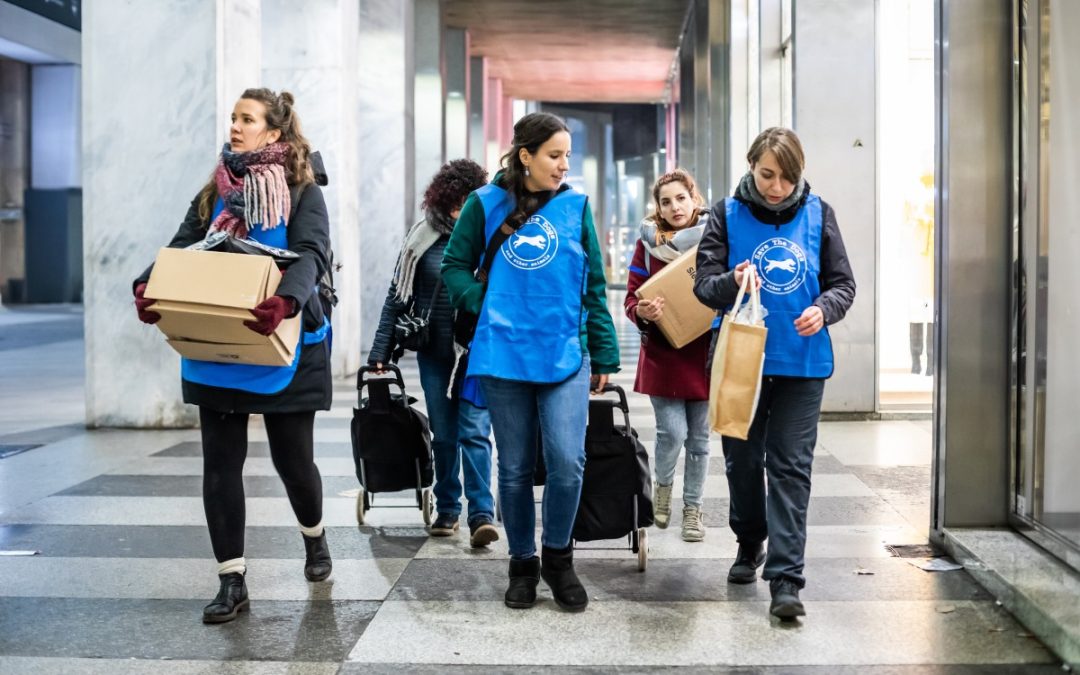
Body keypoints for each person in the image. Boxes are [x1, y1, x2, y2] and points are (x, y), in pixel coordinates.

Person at [133, 88, 334, 624]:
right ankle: (232, 581)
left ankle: (314, 539)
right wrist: (149, 285)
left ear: (273, 132)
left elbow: (313, 253)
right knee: (221, 466)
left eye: (248, 119)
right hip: (218, 345)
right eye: (233, 118)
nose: (236, 127)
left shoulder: (301, 189)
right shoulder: (213, 192)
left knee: (294, 463)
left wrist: (286, 299)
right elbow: (179, 248)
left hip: (284, 342)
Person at [442, 112, 620, 612]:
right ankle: (523, 563)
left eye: (567, 155)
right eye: (554, 155)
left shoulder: (576, 206)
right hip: (502, 354)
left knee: (567, 460)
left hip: (564, 351)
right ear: (526, 156)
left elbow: (595, 285)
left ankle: (559, 558)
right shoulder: (483, 204)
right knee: (515, 467)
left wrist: (604, 350)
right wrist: (485, 302)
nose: (564, 165)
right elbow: (454, 266)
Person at [693, 127, 855, 620]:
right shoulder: (724, 214)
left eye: (787, 177)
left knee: (790, 467)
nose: (776, 187)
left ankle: (786, 579)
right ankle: (749, 541)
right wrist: (733, 280)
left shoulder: (819, 213)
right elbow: (703, 286)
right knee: (742, 463)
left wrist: (824, 309)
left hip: (801, 364)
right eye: (767, 174)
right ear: (751, 166)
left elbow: (843, 284)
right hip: (743, 359)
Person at [367, 158, 498, 547]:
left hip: (475, 351)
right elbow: (398, 294)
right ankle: (448, 508)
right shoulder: (421, 237)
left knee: (474, 431)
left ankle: (481, 514)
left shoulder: (488, 236)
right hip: (434, 352)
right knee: (443, 434)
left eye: (469, 203)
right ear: (442, 201)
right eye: (456, 204)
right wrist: (380, 349)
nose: (462, 212)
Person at [625, 169, 713, 543]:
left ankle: (692, 509)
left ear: (695, 198)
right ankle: (662, 487)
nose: (675, 207)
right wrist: (641, 312)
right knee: (672, 432)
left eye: (681, 198)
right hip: (664, 352)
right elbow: (631, 297)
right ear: (657, 208)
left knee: (700, 439)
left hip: (705, 353)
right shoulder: (647, 246)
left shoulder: (714, 242)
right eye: (666, 201)